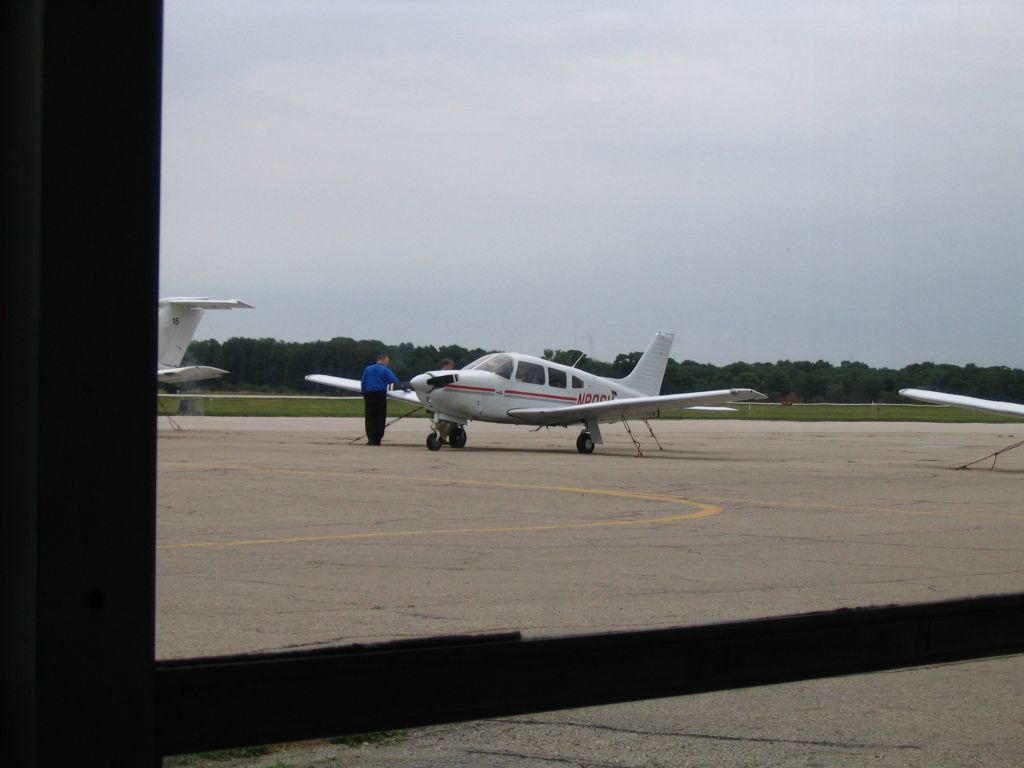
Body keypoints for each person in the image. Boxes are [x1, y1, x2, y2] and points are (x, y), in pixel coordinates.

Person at [360, 353, 400, 445]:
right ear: (383, 360)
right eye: (387, 361)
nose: (387, 363)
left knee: (369, 417)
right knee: (380, 417)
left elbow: (363, 382)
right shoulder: (386, 370)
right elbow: (395, 381)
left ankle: (371, 439)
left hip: (369, 394)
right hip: (380, 395)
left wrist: (364, 395)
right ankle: (377, 440)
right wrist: (406, 389)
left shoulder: (368, 369)